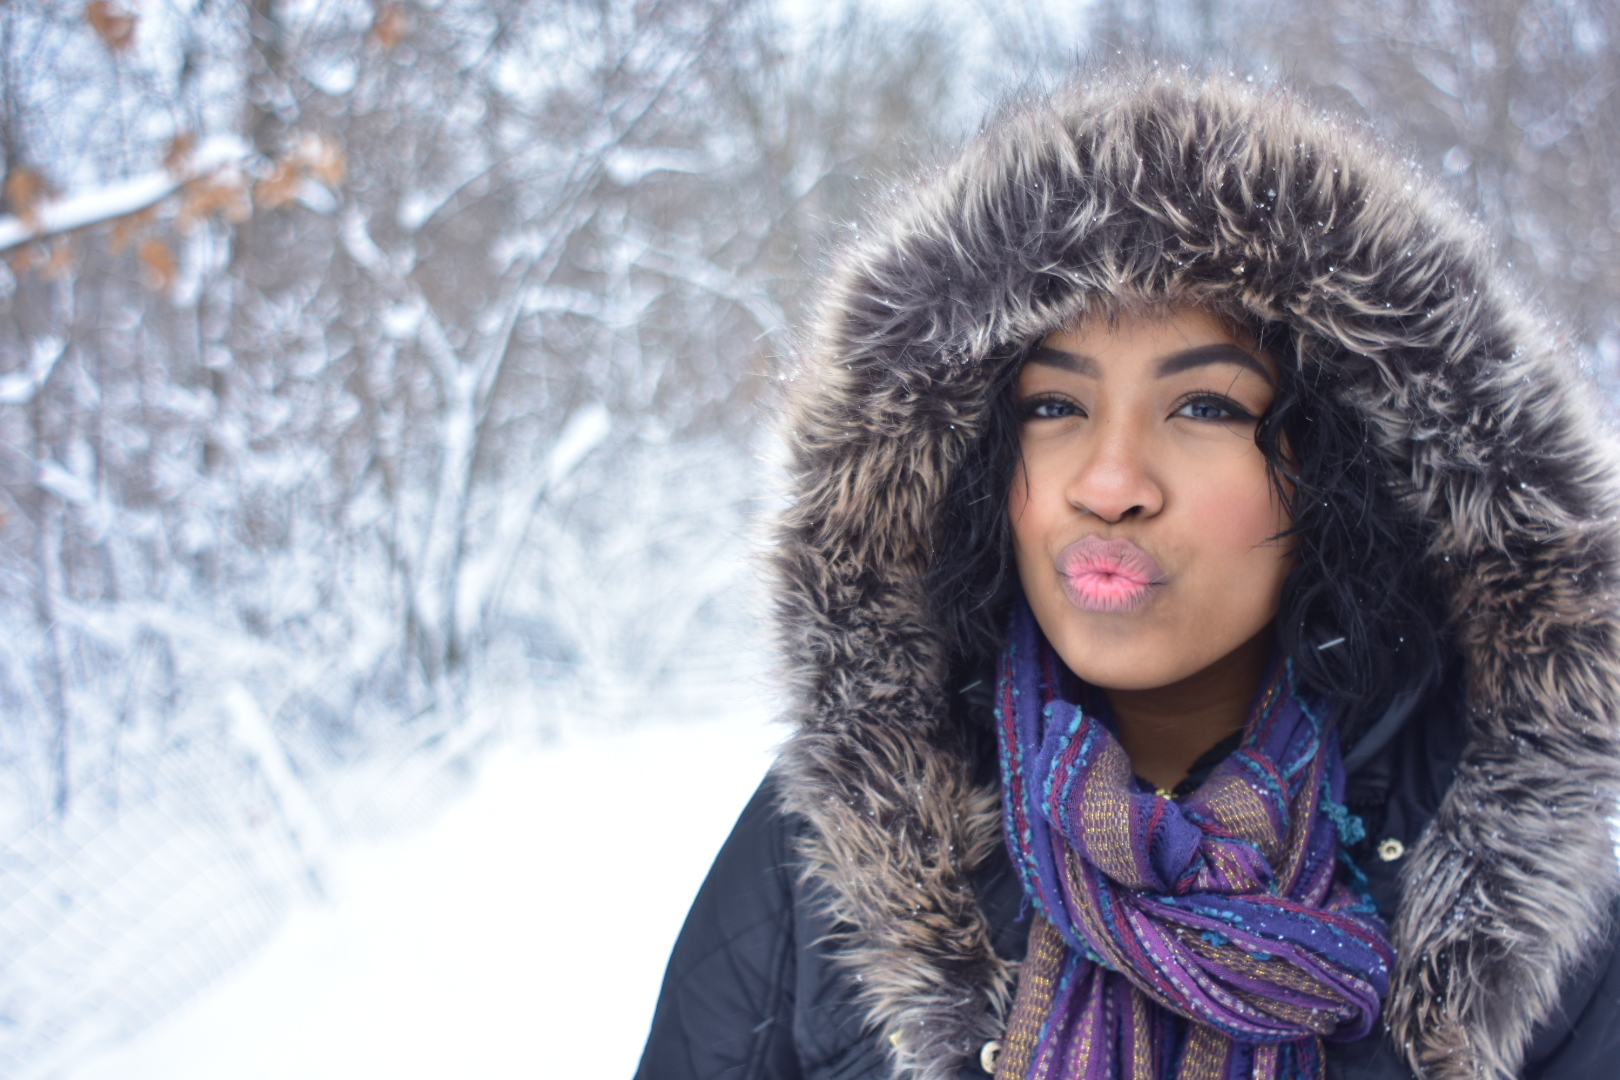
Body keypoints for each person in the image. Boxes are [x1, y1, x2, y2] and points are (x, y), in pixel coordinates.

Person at [634, 66, 1620, 1080]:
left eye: (1206, 408)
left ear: (1342, 467)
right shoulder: (839, 849)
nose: (1108, 485)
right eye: (1053, 408)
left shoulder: (1518, 906)